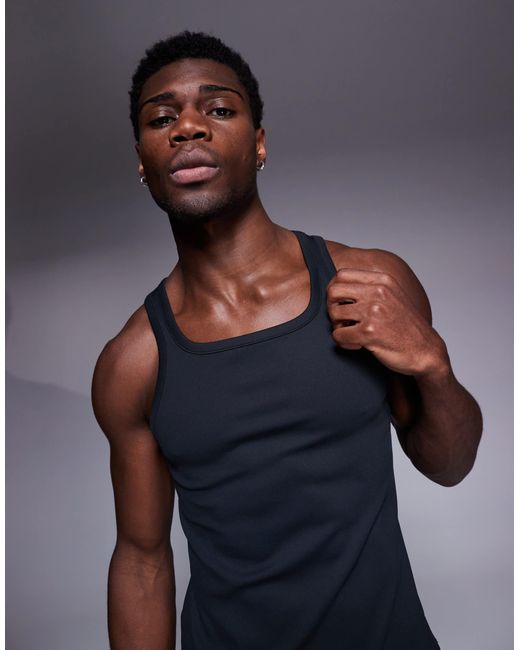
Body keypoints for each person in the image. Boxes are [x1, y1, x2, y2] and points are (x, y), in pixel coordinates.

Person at [91, 30, 483, 650]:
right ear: (143, 161)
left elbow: (451, 465)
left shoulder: (368, 284)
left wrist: (433, 364)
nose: (188, 127)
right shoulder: (134, 362)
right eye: (161, 118)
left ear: (259, 143)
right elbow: (142, 561)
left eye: (219, 109)